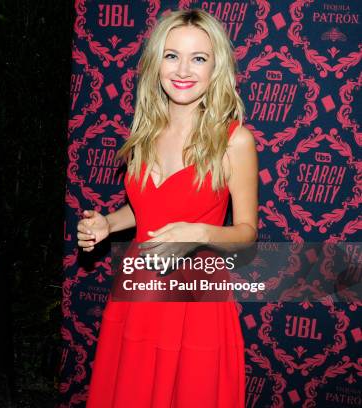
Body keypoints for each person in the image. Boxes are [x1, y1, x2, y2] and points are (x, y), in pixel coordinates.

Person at [77, 9, 258, 408]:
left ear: (217, 68)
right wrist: (108, 223)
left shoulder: (235, 141)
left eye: (199, 58)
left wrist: (201, 232)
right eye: (172, 55)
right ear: (156, 62)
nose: (183, 69)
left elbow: (247, 233)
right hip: (138, 294)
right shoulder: (144, 132)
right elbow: (146, 210)